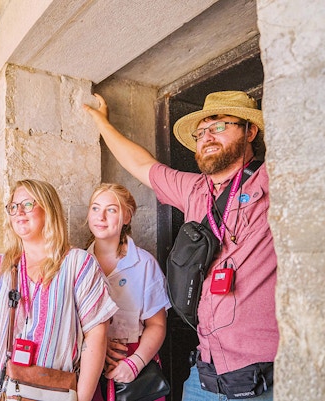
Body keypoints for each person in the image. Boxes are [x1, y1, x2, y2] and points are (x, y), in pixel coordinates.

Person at [83, 91, 278, 400]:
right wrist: (101, 122)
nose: (207, 137)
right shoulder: (193, 190)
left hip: (263, 378)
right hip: (205, 375)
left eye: (219, 126)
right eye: (201, 132)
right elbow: (140, 163)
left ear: (250, 131)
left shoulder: (273, 180)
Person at [0, 179, 119, 401]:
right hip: (4, 393)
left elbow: (96, 335)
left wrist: (83, 398)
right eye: (13, 206)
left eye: (28, 204)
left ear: (49, 210)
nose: (19, 211)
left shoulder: (78, 264)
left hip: (59, 393)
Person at [85, 183, 170, 401]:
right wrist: (96, 345)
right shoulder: (77, 262)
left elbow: (157, 324)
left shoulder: (143, 264)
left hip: (133, 361)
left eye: (111, 210)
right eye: (95, 208)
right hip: (87, 362)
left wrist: (136, 363)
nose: (100, 216)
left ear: (127, 217)